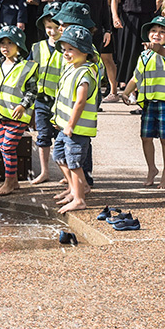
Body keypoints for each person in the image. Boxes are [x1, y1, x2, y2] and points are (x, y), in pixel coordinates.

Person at [122, 16, 165, 189]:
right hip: (148, 103)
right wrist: (126, 92)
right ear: (148, 33)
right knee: (145, 137)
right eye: (154, 31)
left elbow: (160, 50)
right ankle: (151, 169)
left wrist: (155, 47)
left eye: (163, 32)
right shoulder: (143, 55)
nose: (157, 34)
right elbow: (136, 77)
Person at [0, 26, 38, 196]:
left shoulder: (27, 67)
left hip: (17, 115)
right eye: (2, 43)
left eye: (10, 43)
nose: (5, 47)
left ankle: (8, 182)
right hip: (1, 115)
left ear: (19, 46)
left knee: (7, 147)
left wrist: (23, 105)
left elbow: (32, 91)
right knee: (4, 147)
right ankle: (13, 181)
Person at [57, 0, 117, 100]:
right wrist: (63, 24)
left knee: (94, 64)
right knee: (76, 64)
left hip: (95, 32)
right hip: (75, 34)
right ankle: (73, 95)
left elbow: (104, 9)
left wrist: (108, 30)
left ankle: (93, 99)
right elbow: (57, 2)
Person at [53, 24, 98, 214]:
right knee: (59, 156)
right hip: (65, 127)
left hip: (76, 129)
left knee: (75, 163)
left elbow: (80, 102)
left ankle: (79, 199)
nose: (66, 53)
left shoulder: (85, 73)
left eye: (71, 49)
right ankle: (75, 189)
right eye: (65, 49)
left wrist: (70, 125)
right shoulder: (72, 68)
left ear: (85, 52)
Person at [29, 4, 64, 185]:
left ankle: (66, 174)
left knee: (61, 137)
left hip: (61, 102)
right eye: (49, 26)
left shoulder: (67, 48)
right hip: (41, 100)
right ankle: (44, 172)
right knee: (42, 136)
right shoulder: (37, 47)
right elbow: (28, 72)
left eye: (56, 26)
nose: (52, 31)